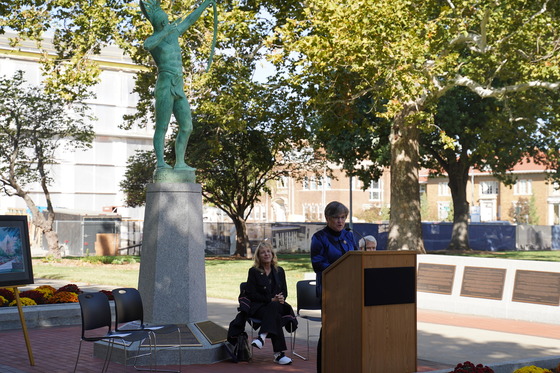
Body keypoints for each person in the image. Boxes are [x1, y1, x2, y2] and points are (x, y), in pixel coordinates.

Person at [140, 0, 215, 171]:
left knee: (187, 126)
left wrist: (204, 5)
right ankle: (161, 163)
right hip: (165, 85)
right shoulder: (154, 40)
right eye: (163, 21)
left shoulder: (173, 34)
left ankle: (180, 162)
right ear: (158, 23)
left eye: (166, 20)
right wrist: (164, 32)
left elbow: (189, 20)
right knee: (162, 126)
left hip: (178, 86)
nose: (166, 22)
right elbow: (147, 45)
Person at [310, 201, 356, 372]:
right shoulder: (319, 238)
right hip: (330, 291)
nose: (340, 221)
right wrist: (340, 267)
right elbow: (318, 264)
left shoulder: (349, 235)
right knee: (330, 331)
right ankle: (324, 367)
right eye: (336, 217)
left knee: (348, 330)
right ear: (328, 218)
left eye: (343, 217)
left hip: (350, 291)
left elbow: (356, 258)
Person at [245, 241, 293, 365]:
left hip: (278, 305)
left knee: (275, 307)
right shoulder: (253, 272)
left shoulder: (279, 271)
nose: (266, 254)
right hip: (261, 307)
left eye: (268, 251)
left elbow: (284, 291)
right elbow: (251, 294)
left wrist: (281, 298)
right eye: (262, 252)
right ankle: (279, 355)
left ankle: (262, 336)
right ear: (258, 257)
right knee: (275, 315)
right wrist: (270, 300)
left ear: (272, 254)